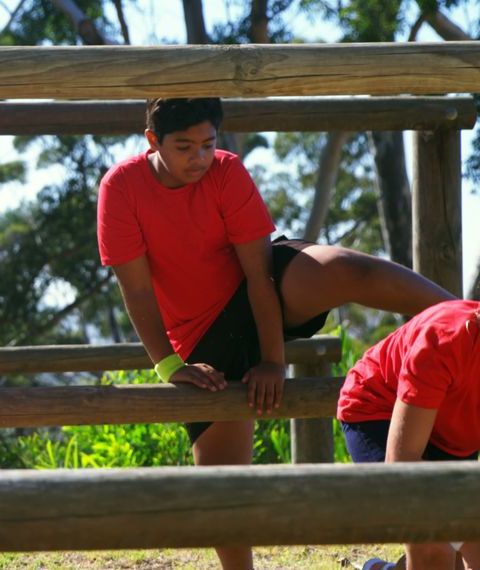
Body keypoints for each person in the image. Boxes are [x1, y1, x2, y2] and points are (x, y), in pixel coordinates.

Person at [96, 97, 455, 570]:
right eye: (183, 147)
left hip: (265, 287)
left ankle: (463, 317)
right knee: (224, 489)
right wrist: (171, 366)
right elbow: (138, 293)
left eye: (208, 144)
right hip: (201, 335)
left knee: (345, 266)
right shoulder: (121, 187)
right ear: (152, 142)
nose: (198, 158)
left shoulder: (225, 171)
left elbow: (259, 273)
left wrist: (272, 360)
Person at [338, 299, 479, 570]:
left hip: (455, 430)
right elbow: (402, 463)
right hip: (378, 409)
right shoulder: (444, 338)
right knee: (433, 540)